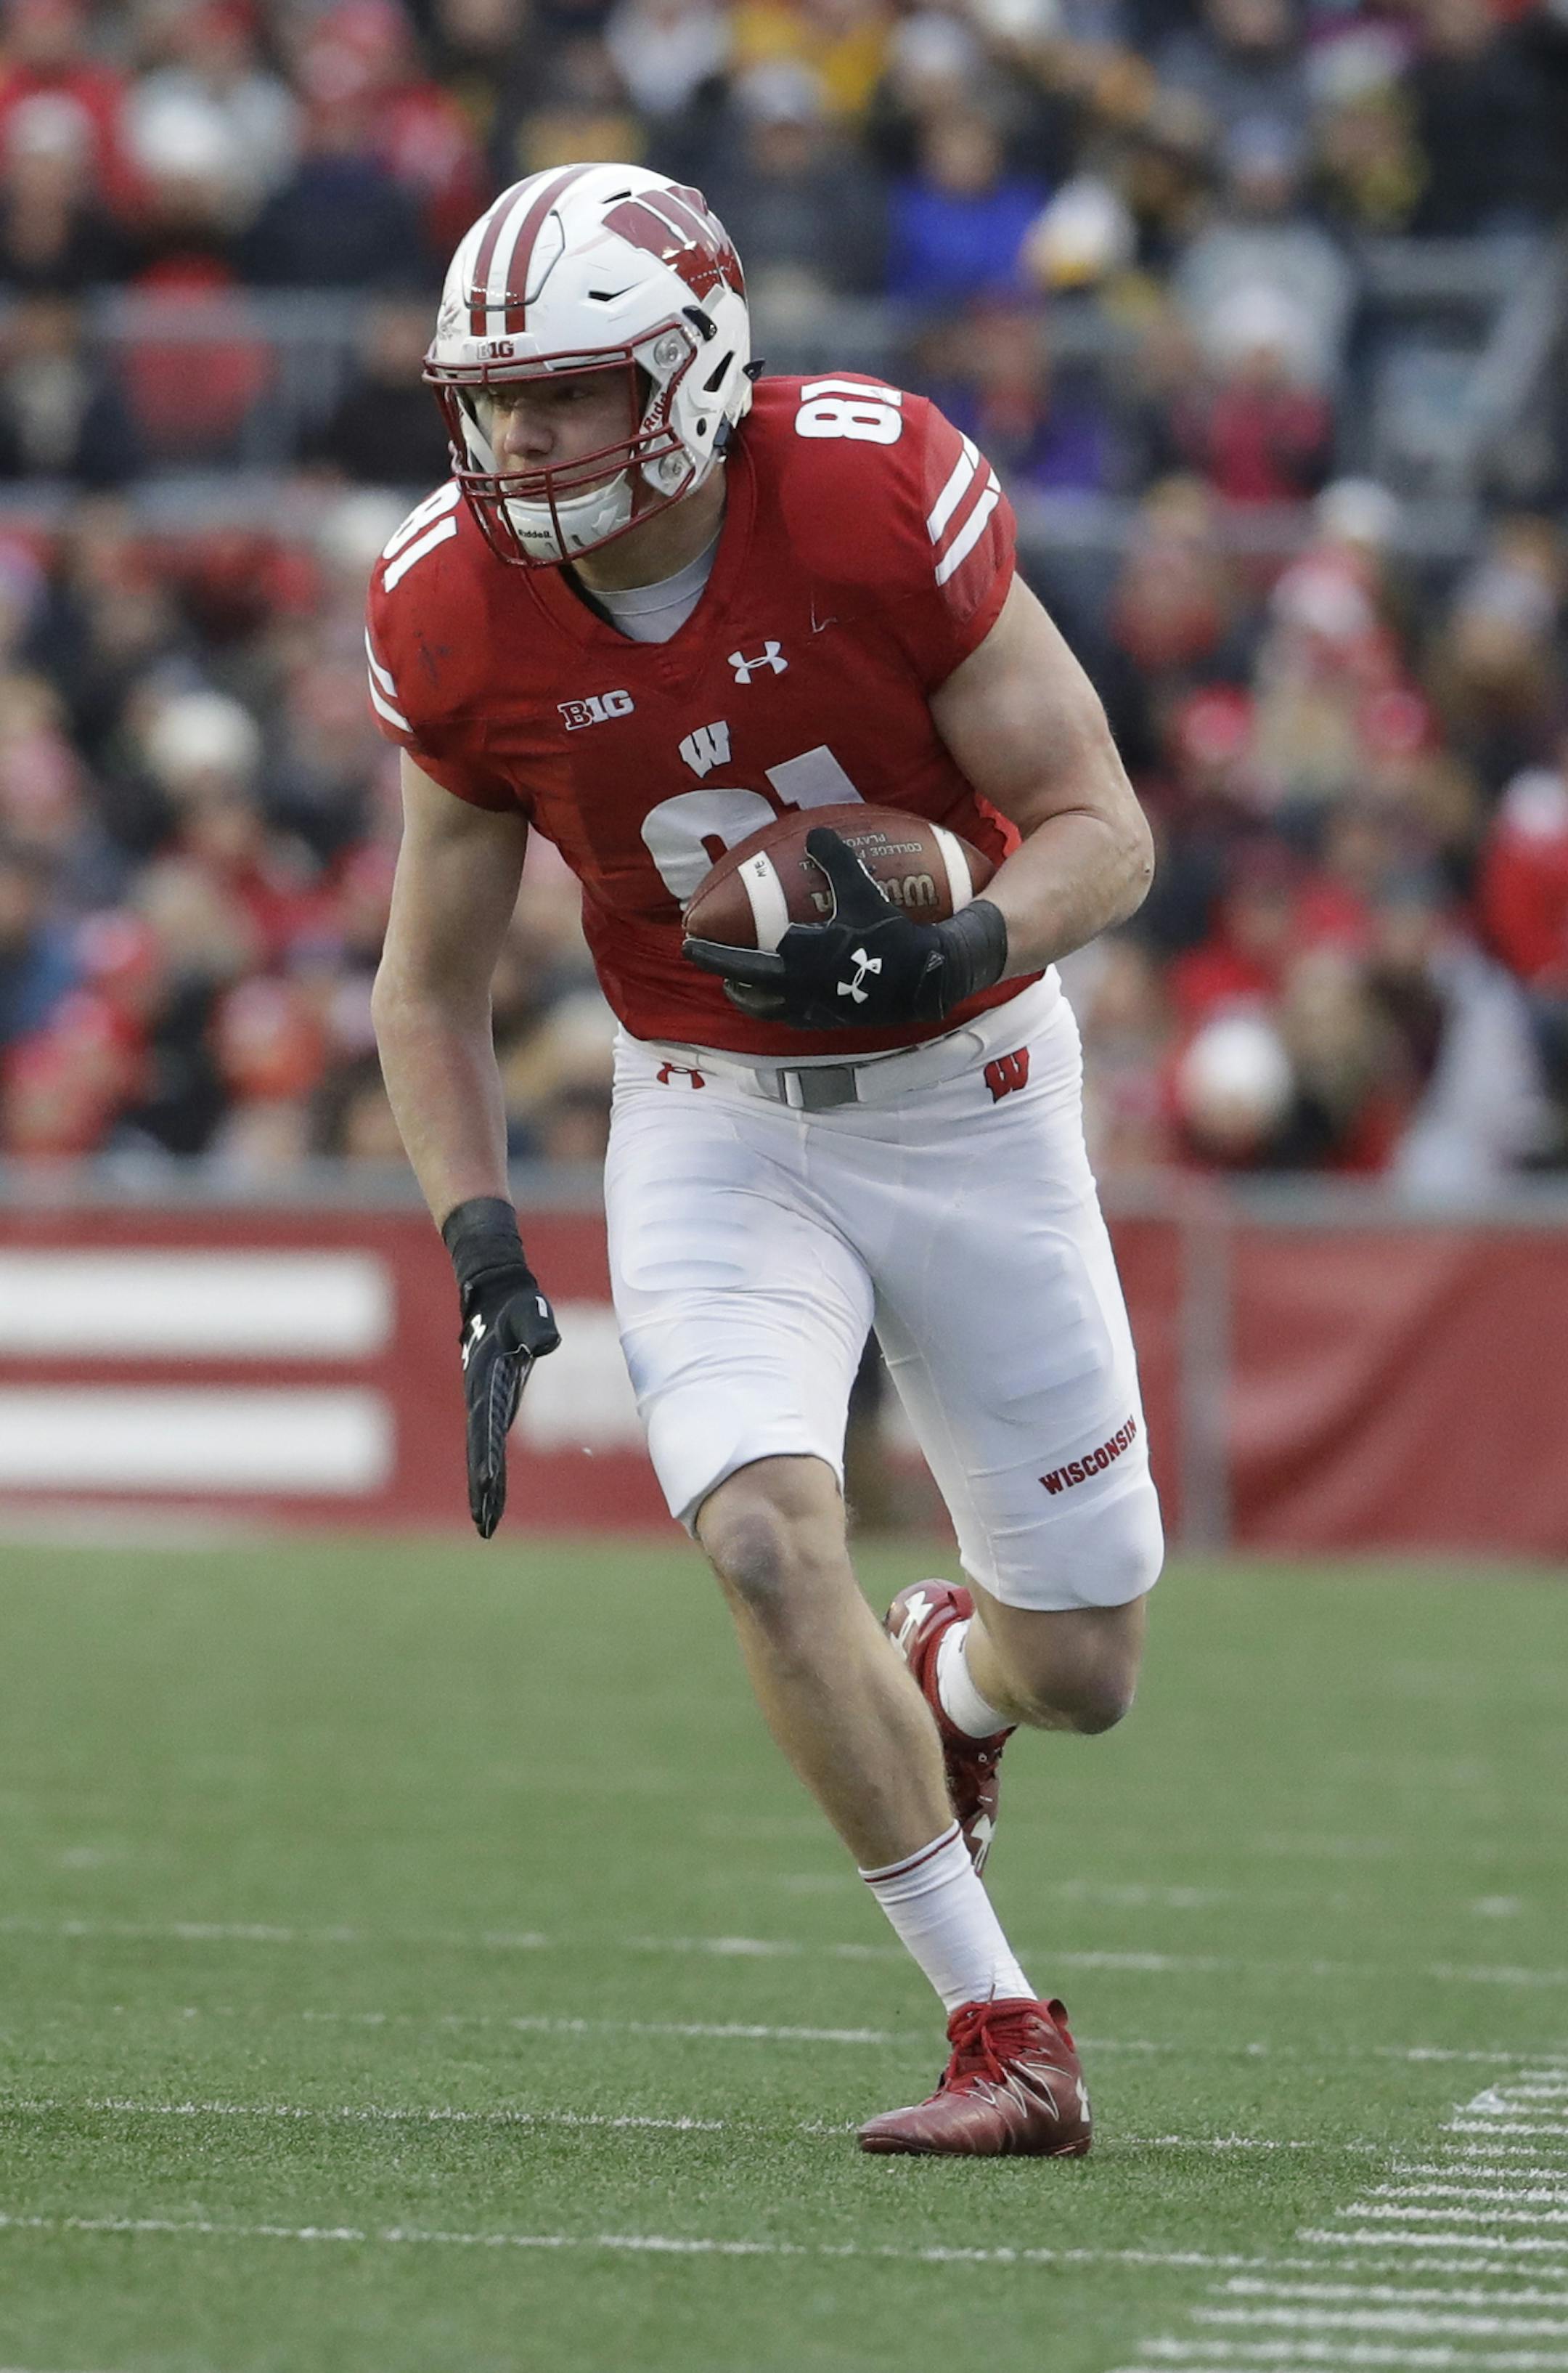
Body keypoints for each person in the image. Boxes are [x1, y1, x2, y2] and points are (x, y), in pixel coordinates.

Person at [368, 163, 1161, 2157]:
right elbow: (424, 986)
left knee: (1084, 1665)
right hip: (713, 1115)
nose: (520, 439)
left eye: (568, 392)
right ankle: (1004, 2029)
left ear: (699, 368)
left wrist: (972, 933)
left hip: (971, 1088)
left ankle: (954, 1680)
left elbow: (1100, 824)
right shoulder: (451, 603)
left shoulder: (875, 487)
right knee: (750, 1529)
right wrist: (483, 1245)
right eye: (495, 396)